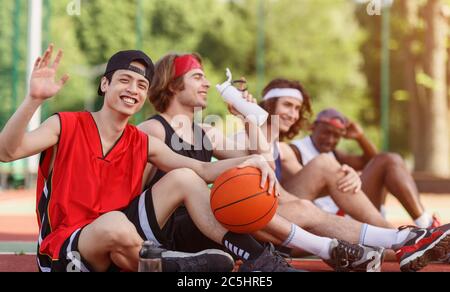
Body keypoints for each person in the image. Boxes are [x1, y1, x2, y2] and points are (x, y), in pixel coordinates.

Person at [139, 54, 450, 272]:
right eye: (197, 76)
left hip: (209, 223)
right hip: (176, 230)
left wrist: (249, 114)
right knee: (297, 205)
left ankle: (404, 240)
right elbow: (136, 193)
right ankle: (403, 239)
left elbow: (260, 159)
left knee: (297, 203)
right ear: (172, 84)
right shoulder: (153, 129)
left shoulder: (205, 131)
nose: (206, 83)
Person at [0, 45, 294, 272]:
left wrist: (249, 162)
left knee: (184, 178)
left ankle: (259, 259)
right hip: (65, 250)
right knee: (113, 224)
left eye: (141, 85)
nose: (133, 90)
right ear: (105, 85)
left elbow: (203, 170)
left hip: (124, 243)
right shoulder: (65, 125)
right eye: (124, 81)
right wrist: (34, 100)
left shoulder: (142, 141)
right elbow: (7, 152)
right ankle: (171, 263)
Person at [289, 108, 440, 229]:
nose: (330, 140)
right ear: (312, 127)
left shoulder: (332, 153)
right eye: (326, 133)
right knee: (388, 160)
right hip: (331, 219)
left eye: (336, 136)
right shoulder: (296, 150)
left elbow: (372, 161)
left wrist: (360, 137)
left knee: (390, 160)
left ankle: (426, 227)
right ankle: (426, 228)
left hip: (349, 209)